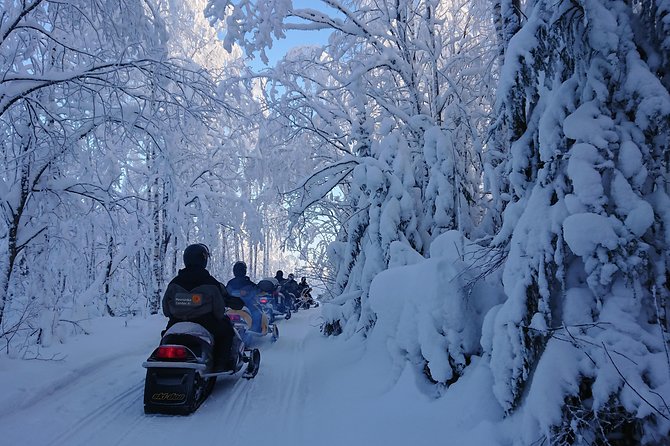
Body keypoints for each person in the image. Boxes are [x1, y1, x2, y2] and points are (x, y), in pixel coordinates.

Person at [162, 243, 244, 370]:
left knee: (166, 336)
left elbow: (166, 310)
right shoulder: (211, 283)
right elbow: (219, 311)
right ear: (203, 259)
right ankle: (221, 364)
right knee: (227, 331)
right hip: (206, 323)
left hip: (175, 323)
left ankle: (162, 362)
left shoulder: (174, 283)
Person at [226, 261, 262, 332]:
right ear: (244, 270)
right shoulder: (248, 282)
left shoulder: (230, 282)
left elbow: (225, 292)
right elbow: (257, 290)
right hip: (246, 305)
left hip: (231, 305)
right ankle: (256, 330)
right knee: (257, 313)